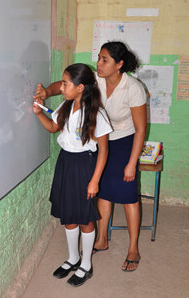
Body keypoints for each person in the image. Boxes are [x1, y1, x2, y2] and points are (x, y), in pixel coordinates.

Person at [35, 41, 147, 272]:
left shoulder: (133, 87)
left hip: (124, 140)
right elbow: (65, 86)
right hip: (94, 142)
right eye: (99, 58)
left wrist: (132, 163)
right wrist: (47, 91)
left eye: (105, 59)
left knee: (127, 194)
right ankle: (101, 239)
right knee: (100, 191)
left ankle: (133, 248)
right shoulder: (93, 80)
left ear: (120, 64)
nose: (99, 63)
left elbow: (140, 129)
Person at [33, 63, 112, 286]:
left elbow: (104, 150)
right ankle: (73, 258)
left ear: (80, 88)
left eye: (66, 83)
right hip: (65, 162)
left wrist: (94, 180)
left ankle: (86, 264)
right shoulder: (66, 107)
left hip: (84, 166)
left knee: (85, 216)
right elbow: (53, 127)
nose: (62, 87)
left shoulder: (96, 114)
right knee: (68, 214)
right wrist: (40, 114)